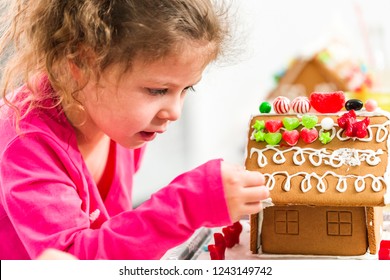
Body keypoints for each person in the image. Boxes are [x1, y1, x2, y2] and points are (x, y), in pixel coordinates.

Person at [0, 0, 269, 260]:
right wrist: (186, 207)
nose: (174, 112)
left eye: (187, 88)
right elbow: (69, 263)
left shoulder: (114, 119)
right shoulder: (26, 142)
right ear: (81, 64)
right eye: (157, 90)